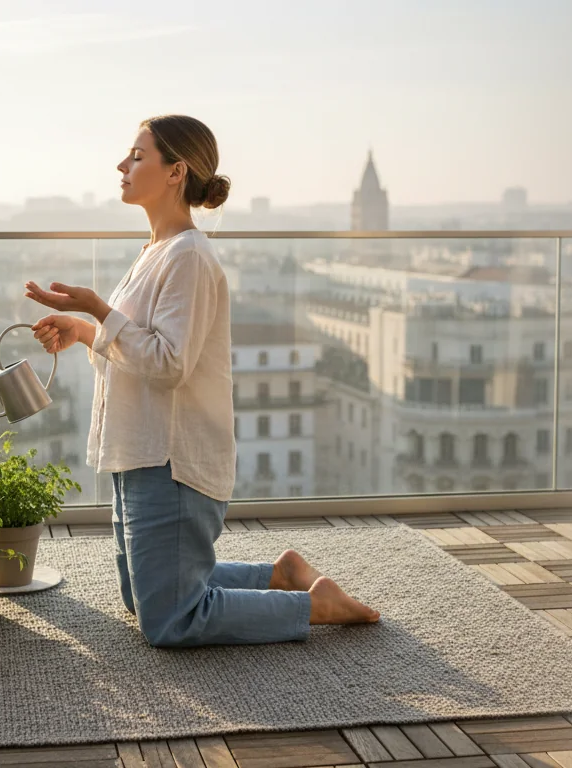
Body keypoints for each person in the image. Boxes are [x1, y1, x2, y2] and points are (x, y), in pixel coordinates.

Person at [25, 115, 379, 646]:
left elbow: (169, 365)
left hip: (171, 462)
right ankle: (276, 576)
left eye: (138, 156)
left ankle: (311, 605)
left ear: (176, 172)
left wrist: (98, 308)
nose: (122, 166)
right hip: (138, 451)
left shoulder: (188, 255)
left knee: (171, 621)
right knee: (141, 599)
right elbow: (136, 357)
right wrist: (81, 330)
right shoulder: (155, 252)